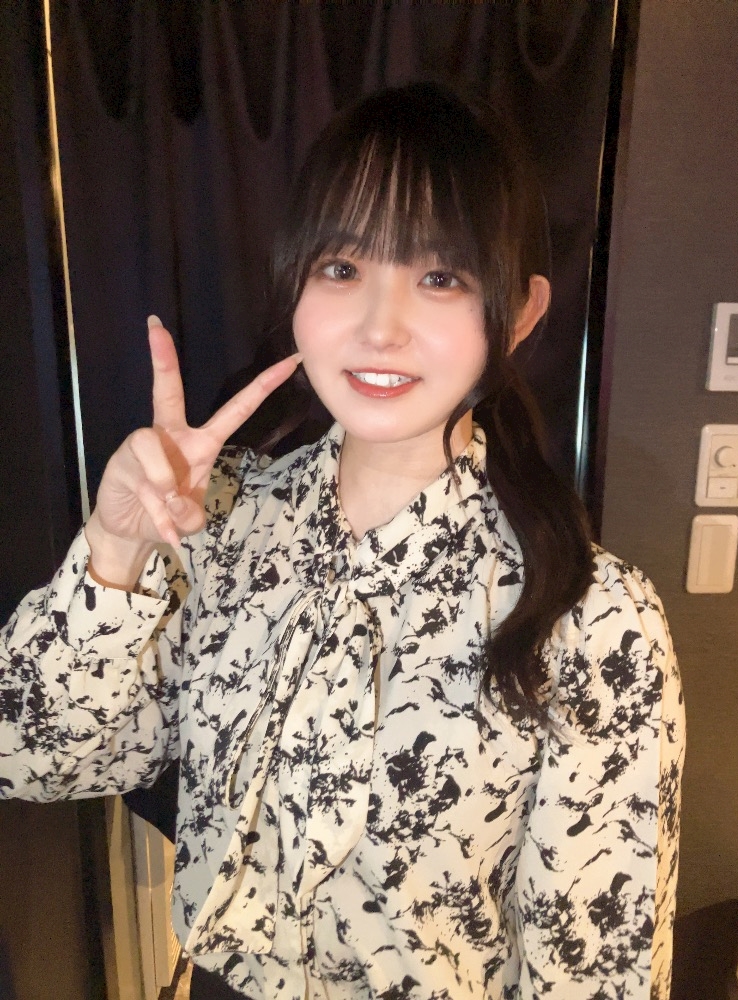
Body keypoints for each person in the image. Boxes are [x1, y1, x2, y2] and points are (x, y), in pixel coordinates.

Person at [0, 83, 684, 1000]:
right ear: (296, 285)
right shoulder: (221, 522)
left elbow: (597, 976)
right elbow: (29, 756)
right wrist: (114, 551)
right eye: (342, 267)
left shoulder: (595, 621)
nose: (379, 327)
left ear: (519, 314)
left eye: (441, 277)